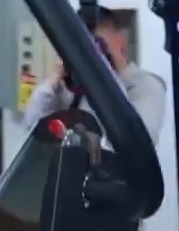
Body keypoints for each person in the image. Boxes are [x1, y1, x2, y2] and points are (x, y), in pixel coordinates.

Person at [19, 9, 167, 149]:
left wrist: (105, 74)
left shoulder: (146, 86)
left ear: (120, 41)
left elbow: (136, 143)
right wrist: (52, 83)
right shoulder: (73, 88)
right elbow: (33, 129)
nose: (91, 55)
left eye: (97, 45)